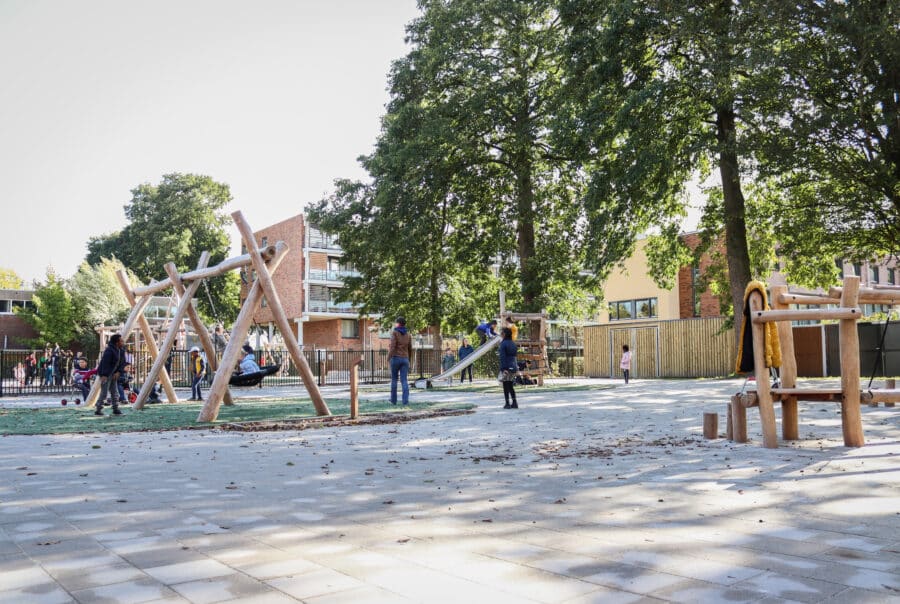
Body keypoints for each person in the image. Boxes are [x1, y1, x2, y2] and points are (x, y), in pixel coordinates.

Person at [95, 334, 125, 416]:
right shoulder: (109, 350)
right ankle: (98, 409)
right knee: (104, 392)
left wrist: (119, 372)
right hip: (106, 374)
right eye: (121, 341)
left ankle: (116, 409)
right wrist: (104, 375)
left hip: (114, 373)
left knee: (115, 392)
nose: (123, 342)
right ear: (116, 342)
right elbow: (105, 363)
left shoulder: (121, 350)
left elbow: (122, 363)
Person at [388, 316, 413, 405]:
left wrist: (389, 357)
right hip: (405, 359)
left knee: (394, 379)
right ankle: (405, 401)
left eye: (396, 322)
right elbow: (410, 348)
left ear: (398, 323)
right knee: (404, 380)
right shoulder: (408, 334)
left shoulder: (395, 333)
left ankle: (393, 400)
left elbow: (393, 346)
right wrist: (408, 359)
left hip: (395, 358)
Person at [498, 327, 519, 409]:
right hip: (513, 366)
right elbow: (514, 356)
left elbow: (502, 357)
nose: (500, 334)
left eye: (501, 333)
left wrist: (504, 369)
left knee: (505, 385)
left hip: (506, 367)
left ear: (505, 334)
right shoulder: (513, 343)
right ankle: (514, 402)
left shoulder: (503, 344)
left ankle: (507, 403)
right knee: (510, 385)